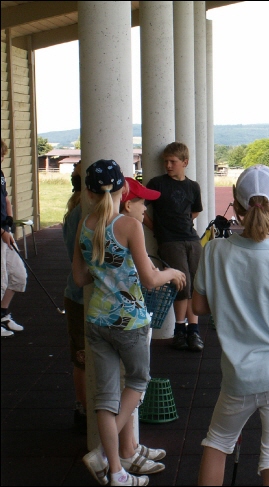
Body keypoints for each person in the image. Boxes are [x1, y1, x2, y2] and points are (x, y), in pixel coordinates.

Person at [192, 164, 269, 486]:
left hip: (239, 376)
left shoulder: (214, 251)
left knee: (217, 443)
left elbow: (198, 307)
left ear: (236, 204)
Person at [73, 160, 186, 486]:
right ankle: (104, 456)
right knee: (137, 382)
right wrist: (172, 273)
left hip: (97, 320)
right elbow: (150, 279)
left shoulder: (85, 225)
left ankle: (116, 470)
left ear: (90, 193)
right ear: (122, 190)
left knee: (105, 399)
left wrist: (105, 273)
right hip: (130, 322)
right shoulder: (129, 226)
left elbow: (80, 277)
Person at [144, 142, 204, 352]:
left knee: (195, 284)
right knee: (180, 284)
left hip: (192, 239)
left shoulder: (193, 186)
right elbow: (140, 208)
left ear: (185, 162)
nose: (168, 165)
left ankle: (194, 331)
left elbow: (196, 211)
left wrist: (184, 222)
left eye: (173, 162)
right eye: (166, 162)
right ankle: (180, 329)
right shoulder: (157, 183)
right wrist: (156, 228)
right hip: (169, 241)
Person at [62, 162, 88, 428]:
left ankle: (83, 407)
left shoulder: (73, 211)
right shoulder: (85, 212)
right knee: (85, 358)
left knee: (81, 357)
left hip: (75, 294)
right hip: (83, 295)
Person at [1, 138, 28, 337]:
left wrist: (8, 222)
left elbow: (6, 199)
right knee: (1, 280)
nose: (2, 158)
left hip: (4, 233)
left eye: (2, 155)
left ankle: (2, 314)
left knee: (18, 275)